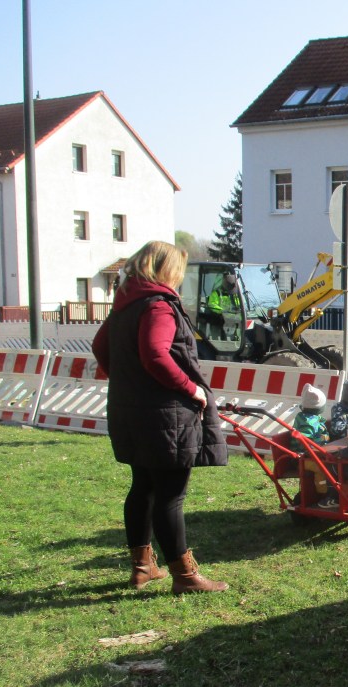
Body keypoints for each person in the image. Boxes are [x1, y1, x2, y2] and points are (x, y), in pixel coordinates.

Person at [91, 241, 229, 594]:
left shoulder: (125, 303)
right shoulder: (158, 305)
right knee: (170, 495)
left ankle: (142, 567)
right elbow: (155, 354)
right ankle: (184, 575)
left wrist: (127, 380)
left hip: (132, 409)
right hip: (164, 415)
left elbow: (100, 346)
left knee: (143, 487)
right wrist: (191, 389)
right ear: (167, 269)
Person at [206, 273, 243, 340]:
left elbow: (239, 306)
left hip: (232, 322)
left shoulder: (234, 295)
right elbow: (212, 305)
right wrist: (223, 311)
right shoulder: (216, 293)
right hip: (218, 322)